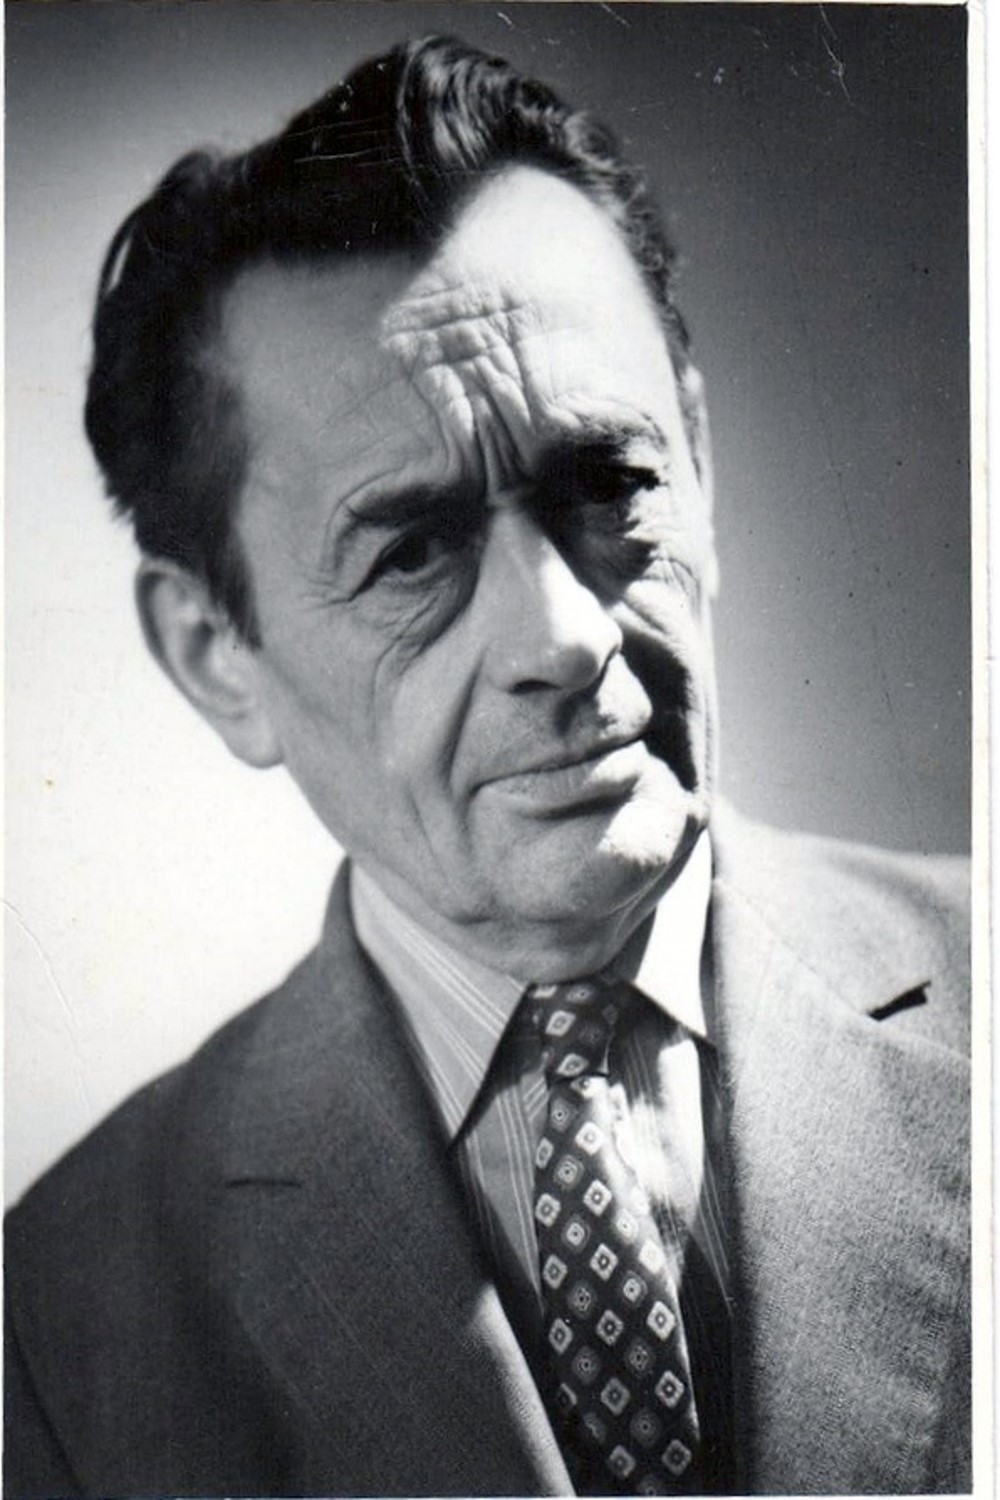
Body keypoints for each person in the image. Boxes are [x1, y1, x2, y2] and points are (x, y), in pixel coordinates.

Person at [4, 35, 969, 1500]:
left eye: (610, 484)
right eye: (411, 553)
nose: (566, 637)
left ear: (700, 464)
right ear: (214, 655)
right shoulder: (55, 1328)